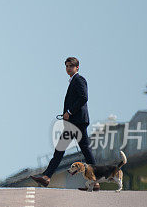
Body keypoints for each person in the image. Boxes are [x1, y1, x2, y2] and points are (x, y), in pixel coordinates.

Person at [31, 57, 99, 190]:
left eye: (71, 66)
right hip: (75, 122)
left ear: (77, 67)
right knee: (70, 150)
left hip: (77, 121)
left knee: (69, 150)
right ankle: (47, 177)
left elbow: (84, 97)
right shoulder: (73, 81)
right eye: (67, 66)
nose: (68, 69)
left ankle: (47, 177)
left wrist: (69, 111)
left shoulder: (79, 80)